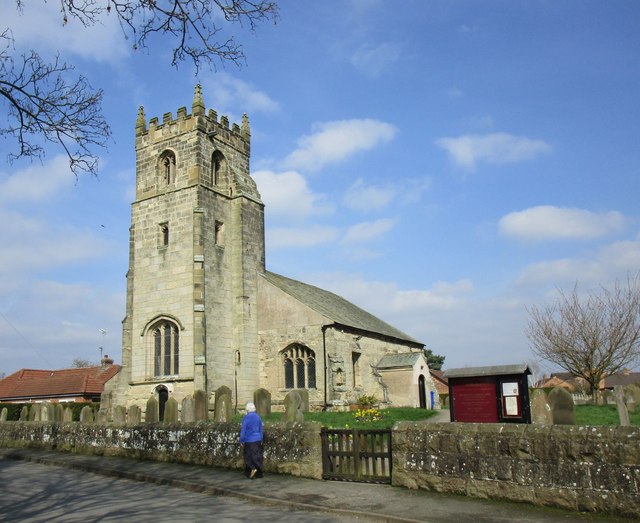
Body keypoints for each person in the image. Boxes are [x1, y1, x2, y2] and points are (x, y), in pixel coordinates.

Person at [239, 401, 263, 479]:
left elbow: (243, 430)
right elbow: (260, 429)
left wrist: (242, 440)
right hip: (258, 439)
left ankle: (253, 469)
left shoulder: (246, 418)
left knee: (247, 456)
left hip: (249, 440)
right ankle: (258, 473)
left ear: (247, 409)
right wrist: (261, 439)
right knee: (257, 456)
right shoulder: (258, 417)